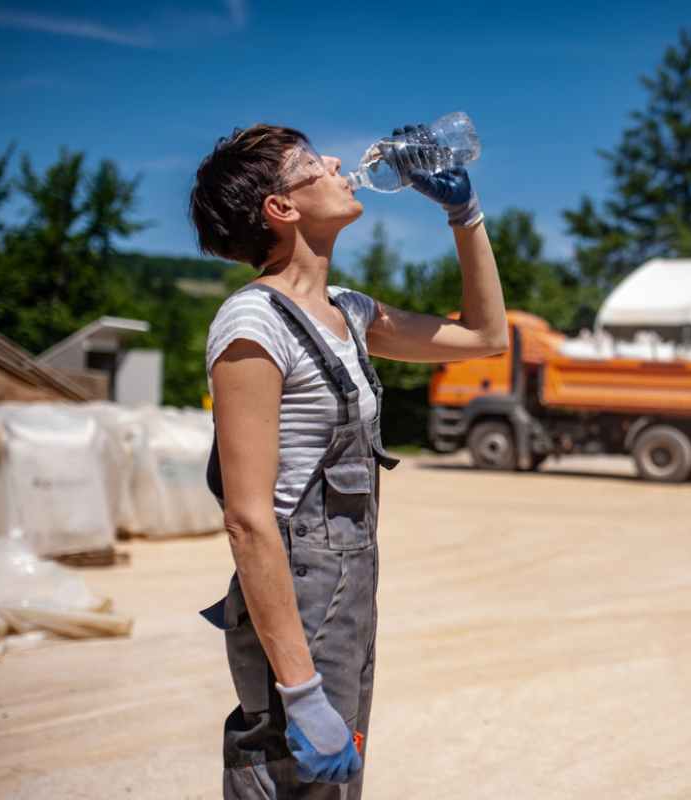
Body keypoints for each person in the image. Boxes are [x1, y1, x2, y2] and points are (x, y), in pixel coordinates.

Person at [189, 123, 507, 799]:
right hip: (297, 599)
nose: (338, 161)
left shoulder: (350, 314)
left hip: (348, 591)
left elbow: (485, 335)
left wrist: (464, 215)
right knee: (285, 781)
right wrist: (299, 692)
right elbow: (248, 520)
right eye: (313, 163)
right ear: (281, 208)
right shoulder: (254, 323)